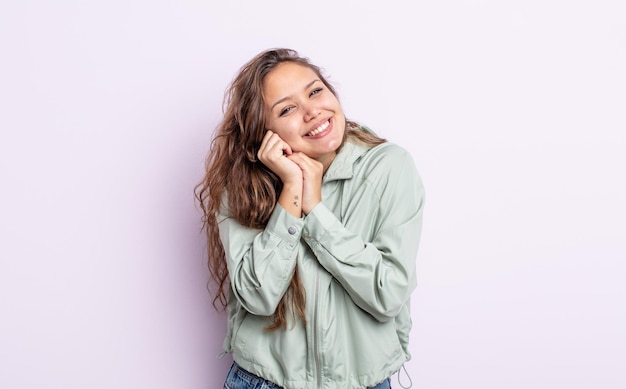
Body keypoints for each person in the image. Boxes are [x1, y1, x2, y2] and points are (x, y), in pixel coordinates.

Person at [195, 48, 425, 389]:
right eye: (287, 109)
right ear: (264, 132)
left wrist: (316, 211)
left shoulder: (388, 167)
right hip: (262, 382)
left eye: (315, 91)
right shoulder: (242, 185)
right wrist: (292, 191)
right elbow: (258, 296)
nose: (312, 111)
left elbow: (388, 293)